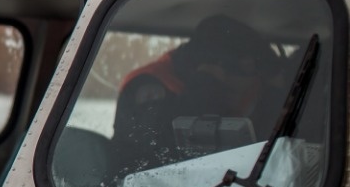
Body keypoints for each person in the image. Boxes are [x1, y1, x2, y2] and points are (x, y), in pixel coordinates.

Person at [111, 14, 286, 176]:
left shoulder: (235, 84)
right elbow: (163, 148)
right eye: (231, 90)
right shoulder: (148, 84)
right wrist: (206, 85)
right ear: (215, 67)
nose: (240, 95)